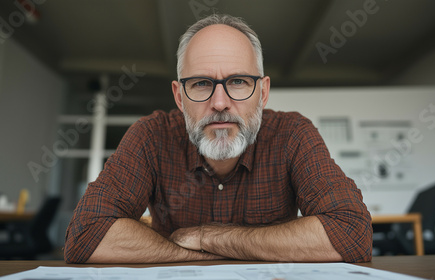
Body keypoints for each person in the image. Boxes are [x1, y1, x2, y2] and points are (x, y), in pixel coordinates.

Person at [64, 14, 372, 264]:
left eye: (238, 81)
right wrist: (189, 254)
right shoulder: (151, 136)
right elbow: (85, 234)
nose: (221, 103)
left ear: (263, 92)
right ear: (179, 96)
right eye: (201, 83)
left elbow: (352, 232)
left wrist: (207, 237)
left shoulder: (292, 134)